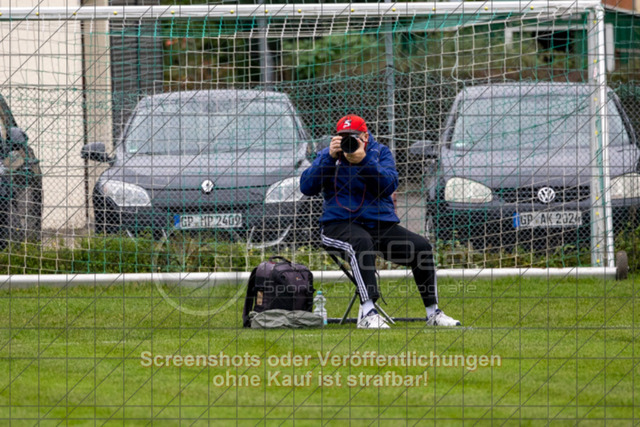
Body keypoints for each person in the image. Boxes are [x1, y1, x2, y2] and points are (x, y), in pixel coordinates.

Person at [300, 115, 461, 329]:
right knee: (361, 242)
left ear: (365, 137)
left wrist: (364, 161)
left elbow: (388, 186)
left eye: (353, 136)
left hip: (379, 226)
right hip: (337, 225)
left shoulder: (380, 153)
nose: (348, 141)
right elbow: (307, 187)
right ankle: (368, 312)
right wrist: (329, 158)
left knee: (421, 247)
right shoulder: (328, 155)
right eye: (343, 136)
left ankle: (433, 313)